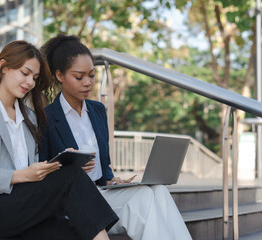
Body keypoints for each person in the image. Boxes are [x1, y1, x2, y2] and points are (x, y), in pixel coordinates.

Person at [0, 40, 118, 240]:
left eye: (34, 77)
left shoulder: (30, 116)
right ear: (4, 67)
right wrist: (21, 175)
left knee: (77, 231)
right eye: (24, 73)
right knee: (70, 177)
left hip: (23, 205)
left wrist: (59, 162)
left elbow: (33, 170)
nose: (30, 82)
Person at [40, 34, 193, 240]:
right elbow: (41, 174)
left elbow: (104, 166)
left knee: (158, 189)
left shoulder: (97, 110)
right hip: (72, 204)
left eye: (92, 75)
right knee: (144, 197)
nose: (88, 83)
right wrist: (69, 166)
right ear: (60, 76)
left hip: (102, 194)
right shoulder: (47, 118)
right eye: (79, 77)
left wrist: (111, 180)